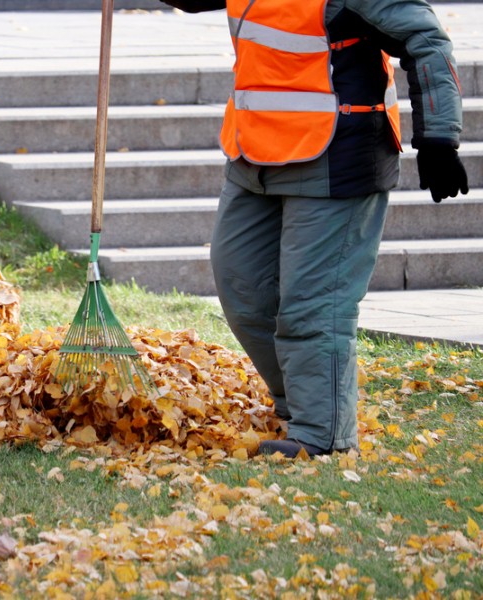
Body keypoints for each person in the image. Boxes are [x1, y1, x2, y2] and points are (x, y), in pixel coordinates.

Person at [159, 0, 468, 457]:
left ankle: (322, 436)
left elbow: (426, 39)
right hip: (255, 151)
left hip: (338, 155)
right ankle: (302, 406)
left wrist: (439, 137)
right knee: (244, 291)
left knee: (313, 307)